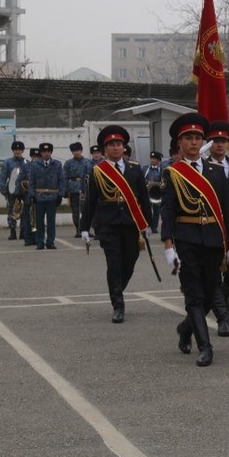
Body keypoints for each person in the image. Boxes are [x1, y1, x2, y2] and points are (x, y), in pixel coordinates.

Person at [160, 112, 229, 367]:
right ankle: (205, 346)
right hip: (187, 240)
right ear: (179, 143)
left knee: (207, 295)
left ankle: (185, 328)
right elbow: (168, 210)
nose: (193, 143)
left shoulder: (216, 172)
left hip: (214, 241)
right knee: (193, 295)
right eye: (188, 138)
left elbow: (228, 210)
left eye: (197, 138)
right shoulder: (173, 173)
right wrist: (169, 246)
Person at [80, 125, 152, 324]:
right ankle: (118, 305)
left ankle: (117, 288)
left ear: (124, 148)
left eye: (119, 144)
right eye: (111, 145)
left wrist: (148, 223)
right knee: (114, 263)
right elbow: (90, 201)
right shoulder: (97, 171)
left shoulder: (135, 169)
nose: (116, 148)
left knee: (129, 262)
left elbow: (144, 199)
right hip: (107, 224)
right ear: (104, 150)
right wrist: (84, 227)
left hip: (131, 224)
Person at [202, 120, 229, 338]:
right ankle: (223, 317)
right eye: (215, 141)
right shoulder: (200, 168)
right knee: (214, 275)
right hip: (211, 225)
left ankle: (217, 300)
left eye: (223, 141)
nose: (219, 144)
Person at [27, 142, 65, 250]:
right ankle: (40, 242)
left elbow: (61, 180)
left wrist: (60, 195)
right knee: (39, 221)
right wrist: (31, 195)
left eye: (48, 151)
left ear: (51, 152)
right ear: (41, 153)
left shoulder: (57, 164)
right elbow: (32, 181)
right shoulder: (35, 165)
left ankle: (50, 242)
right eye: (44, 152)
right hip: (39, 196)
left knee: (51, 221)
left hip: (53, 196)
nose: (46, 154)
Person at [0, 140, 28, 240]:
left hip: (24, 192)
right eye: (16, 149)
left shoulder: (26, 162)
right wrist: (4, 191)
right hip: (11, 191)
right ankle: (12, 231)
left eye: (20, 149)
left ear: (23, 150)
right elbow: (3, 177)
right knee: (12, 211)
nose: (17, 151)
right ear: (13, 150)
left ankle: (23, 231)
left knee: (24, 211)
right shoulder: (7, 162)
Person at [63, 142, 93, 238]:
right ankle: (78, 229)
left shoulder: (88, 162)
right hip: (74, 189)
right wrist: (65, 190)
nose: (76, 152)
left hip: (86, 188)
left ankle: (86, 230)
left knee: (86, 211)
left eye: (78, 150)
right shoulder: (68, 163)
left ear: (81, 150)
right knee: (75, 211)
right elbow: (65, 177)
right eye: (74, 151)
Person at [17, 148, 39, 246]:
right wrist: (18, 193)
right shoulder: (25, 167)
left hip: (39, 196)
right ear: (31, 157)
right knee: (27, 219)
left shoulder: (42, 166)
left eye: (37, 157)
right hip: (27, 196)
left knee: (37, 219)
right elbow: (19, 180)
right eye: (34, 156)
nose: (35, 159)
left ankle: (37, 238)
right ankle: (28, 239)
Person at [143, 151, 164, 233]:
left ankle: (154, 227)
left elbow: (164, 181)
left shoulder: (162, 170)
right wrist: (146, 181)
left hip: (156, 194)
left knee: (156, 211)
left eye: (154, 159)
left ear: (158, 160)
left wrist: (157, 184)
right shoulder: (145, 168)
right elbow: (140, 178)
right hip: (146, 192)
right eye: (151, 158)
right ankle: (146, 225)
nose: (152, 160)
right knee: (146, 210)